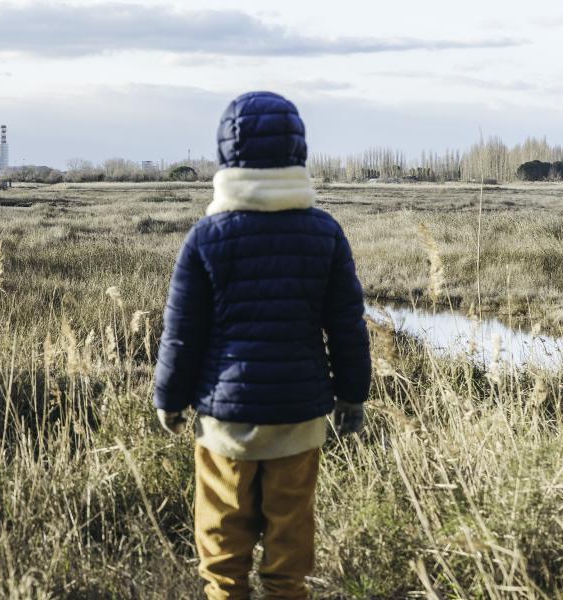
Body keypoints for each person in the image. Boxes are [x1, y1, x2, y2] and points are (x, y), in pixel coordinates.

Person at [152, 91, 370, 600]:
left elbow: (182, 330)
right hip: (299, 418)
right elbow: (347, 326)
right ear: (298, 152)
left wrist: (168, 398)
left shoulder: (207, 236)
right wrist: (353, 396)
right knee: (288, 555)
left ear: (227, 155)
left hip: (225, 423)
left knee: (223, 556)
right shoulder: (325, 233)